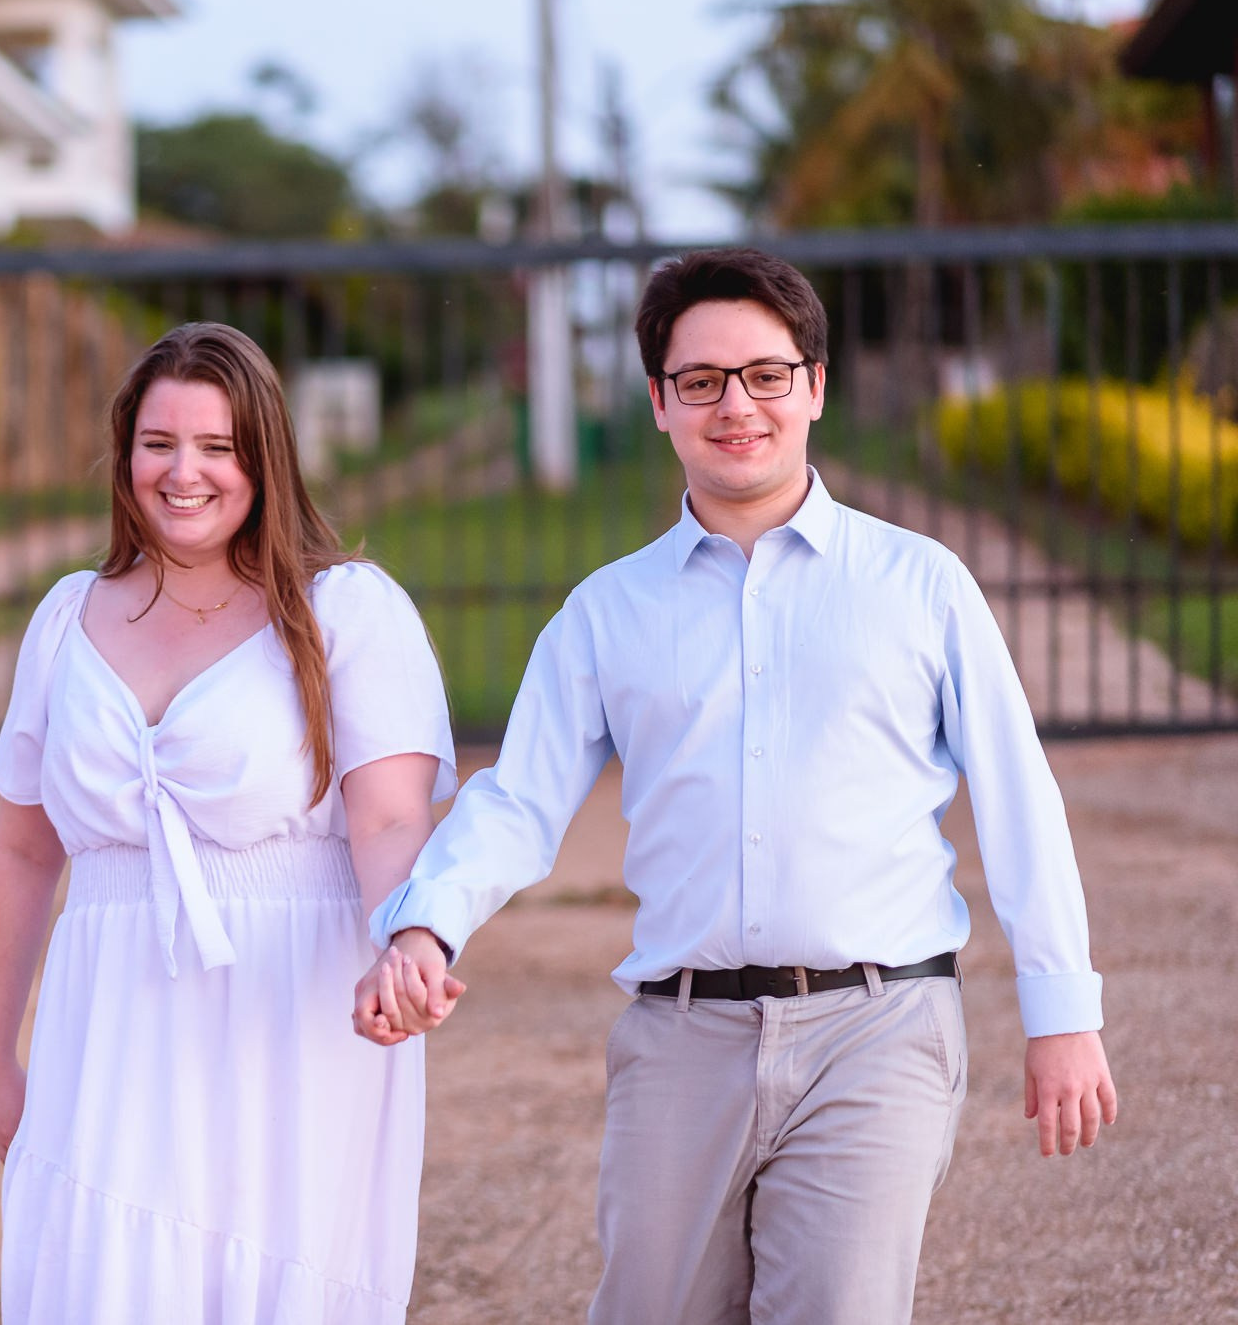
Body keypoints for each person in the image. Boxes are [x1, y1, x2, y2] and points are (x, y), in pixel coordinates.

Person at [356, 248, 1120, 1324]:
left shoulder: (918, 585)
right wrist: (425, 927)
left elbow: (1016, 796)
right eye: (700, 380)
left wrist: (1062, 1011)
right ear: (660, 401)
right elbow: (516, 801)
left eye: (765, 374)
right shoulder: (604, 612)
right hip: (678, 1037)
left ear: (812, 384)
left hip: (878, 1022)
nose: (736, 405)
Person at [0, 321, 458, 1324]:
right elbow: (22, 851)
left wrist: (399, 942)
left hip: (289, 1010)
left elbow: (388, 816)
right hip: (103, 1019)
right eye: (158, 443)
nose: (182, 471)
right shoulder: (66, 616)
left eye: (216, 446)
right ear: (124, 452)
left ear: (262, 458)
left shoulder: (344, 610)